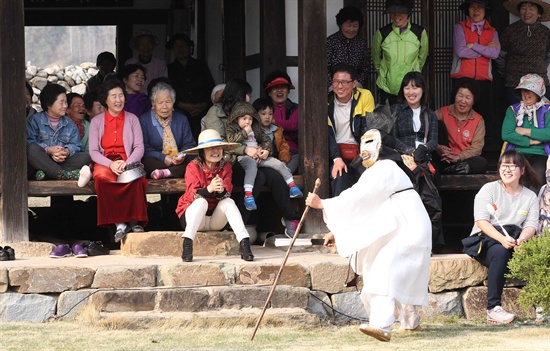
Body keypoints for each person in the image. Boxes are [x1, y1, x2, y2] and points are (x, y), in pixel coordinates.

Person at [306, 129, 431, 342]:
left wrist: (323, 204)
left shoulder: (385, 168)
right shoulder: (385, 171)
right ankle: (411, 321)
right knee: (396, 273)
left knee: (384, 271)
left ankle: (381, 325)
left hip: (406, 227)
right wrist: (336, 231)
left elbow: (358, 198)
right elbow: (368, 206)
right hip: (402, 225)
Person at [203, 78, 301, 237]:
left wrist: (264, 150)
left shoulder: (247, 113)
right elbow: (218, 143)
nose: (249, 98)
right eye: (247, 94)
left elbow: (261, 135)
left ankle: (291, 217)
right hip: (228, 160)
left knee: (275, 175)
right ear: (238, 95)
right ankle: (237, 224)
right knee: (259, 177)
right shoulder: (215, 112)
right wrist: (245, 150)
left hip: (252, 158)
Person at [463, 150, 539, 324]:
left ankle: (542, 305)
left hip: (514, 239)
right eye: (504, 165)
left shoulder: (530, 196)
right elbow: (481, 221)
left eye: (513, 166)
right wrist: (501, 239)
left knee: (536, 253)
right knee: (500, 253)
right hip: (487, 239)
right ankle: (493, 308)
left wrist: (522, 240)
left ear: (522, 170)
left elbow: (531, 225)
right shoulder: (489, 189)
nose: (507, 170)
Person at [176, 129, 254, 262]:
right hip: (194, 218)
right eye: (210, 148)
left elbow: (227, 192)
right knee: (202, 202)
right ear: (202, 152)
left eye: (218, 147)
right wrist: (209, 189)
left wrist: (220, 189)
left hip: (214, 220)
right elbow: (191, 194)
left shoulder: (226, 166)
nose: (215, 151)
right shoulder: (193, 166)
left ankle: (245, 244)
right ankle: (187, 245)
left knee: (228, 202)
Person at [88, 79, 148, 242]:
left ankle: (135, 221)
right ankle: (119, 223)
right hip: (105, 162)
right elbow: (93, 151)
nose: (118, 100)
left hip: (128, 160)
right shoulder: (96, 121)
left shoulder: (132, 119)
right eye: (113, 96)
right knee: (102, 179)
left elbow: (139, 147)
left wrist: (127, 163)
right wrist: (110, 164)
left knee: (135, 178)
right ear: (105, 100)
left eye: (121, 95)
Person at [225, 101, 303, 212]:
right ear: (236, 119)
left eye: (250, 119)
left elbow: (266, 139)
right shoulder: (232, 129)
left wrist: (266, 150)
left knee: (277, 163)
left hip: (259, 156)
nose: (248, 122)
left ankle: (292, 185)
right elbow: (230, 143)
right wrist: (244, 133)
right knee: (251, 167)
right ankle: (248, 195)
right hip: (244, 157)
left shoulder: (256, 128)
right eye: (244, 118)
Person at [450, 0, 500, 136]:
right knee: (458, 115)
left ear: (486, 11)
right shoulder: (460, 27)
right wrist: (485, 49)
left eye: (480, 8)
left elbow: (495, 53)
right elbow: (461, 52)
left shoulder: (492, 31)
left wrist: (473, 45)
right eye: (473, 7)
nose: (476, 11)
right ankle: (457, 146)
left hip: (483, 80)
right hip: (462, 79)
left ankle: (481, 149)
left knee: (482, 115)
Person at [328, 63, 375, 197]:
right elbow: (328, 135)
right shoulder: (327, 101)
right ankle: (339, 218)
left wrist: (366, 155)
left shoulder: (364, 96)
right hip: (337, 153)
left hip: (361, 152)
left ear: (354, 83)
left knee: (369, 179)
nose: (340, 86)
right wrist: (336, 158)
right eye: (336, 82)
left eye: (345, 82)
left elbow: (368, 129)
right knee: (339, 177)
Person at [26, 84, 91, 181]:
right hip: (41, 160)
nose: (65, 106)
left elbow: (77, 146)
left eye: (66, 102)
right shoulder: (34, 121)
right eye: (62, 102)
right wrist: (49, 150)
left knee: (87, 156)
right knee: (31, 149)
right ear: (49, 104)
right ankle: (61, 174)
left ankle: (48, 173)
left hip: (62, 162)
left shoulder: (70, 123)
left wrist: (66, 151)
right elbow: (30, 142)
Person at [372, 0, 428, 105]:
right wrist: (385, 75)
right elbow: (376, 58)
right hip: (387, 88)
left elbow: (422, 58)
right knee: (388, 119)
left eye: (400, 12)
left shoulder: (419, 32)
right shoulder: (382, 33)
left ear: (408, 13)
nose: (396, 16)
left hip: (412, 88)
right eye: (392, 12)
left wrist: (414, 71)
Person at [140, 81, 196, 179]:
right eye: (160, 102)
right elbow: (144, 147)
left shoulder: (182, 119)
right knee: (145, 161)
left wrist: (181, 155)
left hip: (178, 161)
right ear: (153, 104)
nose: (165, 107)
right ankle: (175, 171)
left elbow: (189, 144)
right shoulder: (144, 120)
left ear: (173, 102)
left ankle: (167, 172)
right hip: (157, 161)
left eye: (168, 102)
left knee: (195, 159)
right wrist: (164, 158)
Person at [501, 73, 550, 185]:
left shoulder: (548, 109)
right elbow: (507, 134)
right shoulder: (513, 109)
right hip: (517, 153)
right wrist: (531, 141)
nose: (526, 93)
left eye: (530, 90)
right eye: (523, 90)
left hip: (542, 155)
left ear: (539, 93)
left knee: (537, 179)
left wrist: (525, 131)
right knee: (515, 180)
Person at [499, 0, 550, 104]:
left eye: (531, 9)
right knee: (516, 115)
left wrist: (537, 69)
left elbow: (547, 56)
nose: (527, 12)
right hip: (514, 82)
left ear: (539, 13)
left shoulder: (546, 32)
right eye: (523, 8)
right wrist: (509, 72)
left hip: (539, 82)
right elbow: (500, 56)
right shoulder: (510, 31)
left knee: (541, 116)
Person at [166, 33, 215, 140]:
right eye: (177, 46)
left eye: (183, 45)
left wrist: (204, 103)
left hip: (202, 110)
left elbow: (210, 87)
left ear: (189, 48)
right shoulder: (169, 69)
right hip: (179, 110)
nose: (180, 49)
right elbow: (168, 91)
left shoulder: (201, 65)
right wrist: (181, 104)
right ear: (173, 50)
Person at [434, 78, 488, 174]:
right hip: (442, 158)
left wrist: (458, 157)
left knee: (481, 162)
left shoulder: (478, 120)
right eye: (460, 96)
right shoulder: (442, 112)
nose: (463, 101)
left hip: (463, 160)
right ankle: (448, 169)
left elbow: (477, 147)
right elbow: (425, 131)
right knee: (438, 124)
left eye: (468, 97)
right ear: (455, 96)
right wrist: (437, 147)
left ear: (473, 101)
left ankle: (454, 170)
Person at [391, 71, 438, 157]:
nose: (411, 92)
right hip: (401, 157)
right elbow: (393, 138)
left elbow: (434, 141)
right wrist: (409, 150)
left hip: (422, 158)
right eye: (407, 88)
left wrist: (424, 148)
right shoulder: (395, 110)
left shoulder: (430, 114)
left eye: (415, 88)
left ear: (423, 89)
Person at [263, 71, 300, 173]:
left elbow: (293, 125)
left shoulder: (296, 108)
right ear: (269, 93)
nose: (279, 90)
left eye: (283, 87)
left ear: (288, 91)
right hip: (271, 150)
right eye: (275, 87)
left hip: (293, 151)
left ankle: (284, 174)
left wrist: (272, 121)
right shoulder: (262, 109)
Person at [326, 6, 369, 89]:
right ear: (341, 25)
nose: (351, 29)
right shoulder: (331, 42)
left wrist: (358, 84)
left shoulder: (361, 43)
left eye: (355, 26)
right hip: (334, 87)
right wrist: (333, 85)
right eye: (348, 25)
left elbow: (365, 67)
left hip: (355, 86)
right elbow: (325, 68)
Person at [254, 97, 295, 174]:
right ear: (256, 115)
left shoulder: (277, 130)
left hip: (277, 161)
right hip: (262, 163)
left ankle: (284, 171)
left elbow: (284, 147)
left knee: (296, 157)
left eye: (270, 114)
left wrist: (283, 161)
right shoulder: (254, 131)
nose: (267, 117)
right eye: (263, 114)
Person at [125, 29, 168, 94]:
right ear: (137, 46)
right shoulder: (130, 63)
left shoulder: (160, 64)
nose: (146, 47)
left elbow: (164, 85)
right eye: (142, 44)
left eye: (149, 43)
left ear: (153, 46)